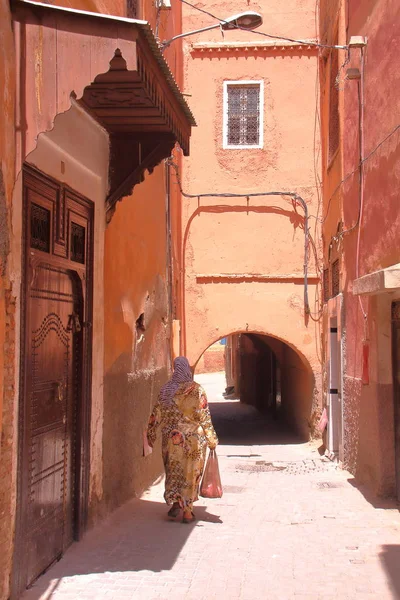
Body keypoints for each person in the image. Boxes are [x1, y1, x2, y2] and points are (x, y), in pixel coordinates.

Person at [147, 357, 218, 523]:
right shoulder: (197, 390)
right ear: (187, 369)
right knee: (190, 474)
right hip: (193, 442)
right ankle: (187, 512)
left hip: (171, 441)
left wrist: (151, 435)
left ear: (174, 369)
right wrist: (211, 438)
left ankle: (175, 504)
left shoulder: (166, 390)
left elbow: (155, 414)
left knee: (173, 473)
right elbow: (204, 416)